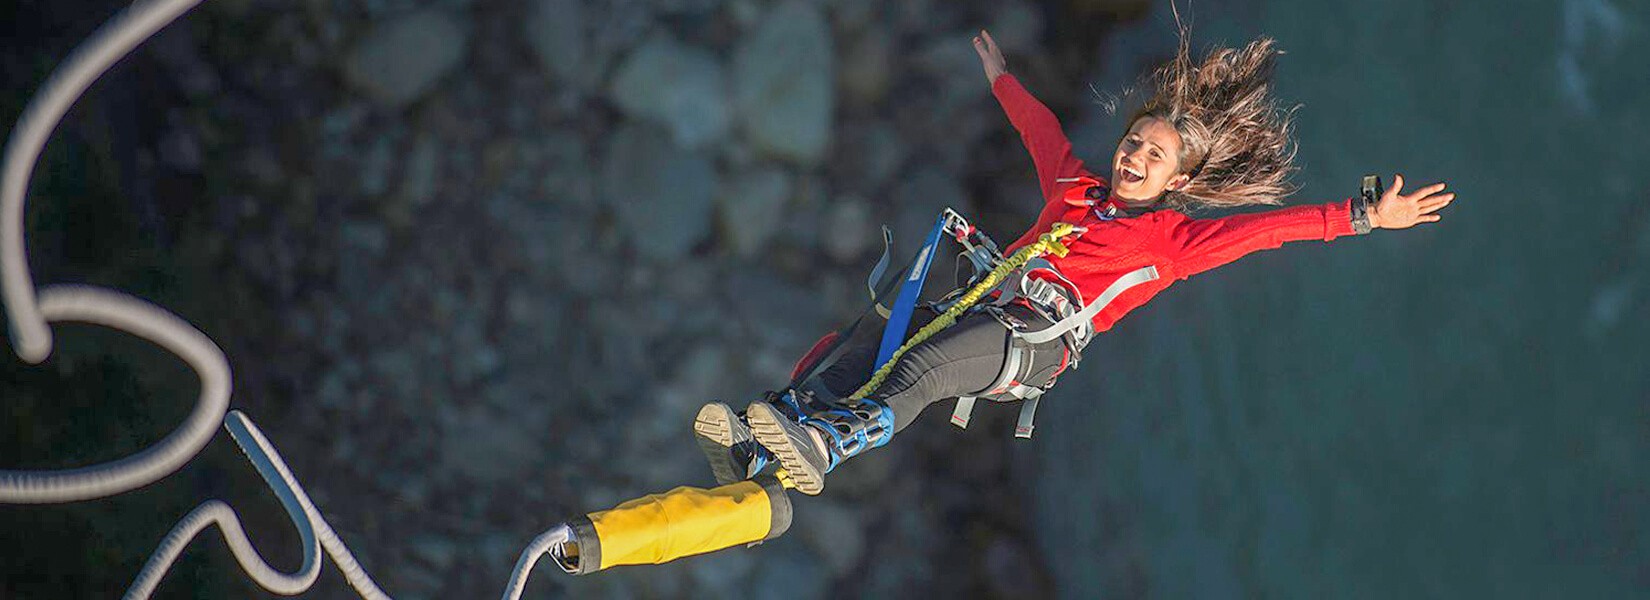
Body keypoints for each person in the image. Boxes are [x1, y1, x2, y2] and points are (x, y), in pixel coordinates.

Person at [695, 25, 1455, 496]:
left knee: (919, 371)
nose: (1134, 158)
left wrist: (1361, 216)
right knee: (869, 337)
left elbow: (1268, 232)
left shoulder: (1171, 243)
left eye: (1153, 157)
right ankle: (772, 430)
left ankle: (826, 446)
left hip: (1035, 346)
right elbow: (1041, 132)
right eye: (1133, 143)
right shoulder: (1076, 184)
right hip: (991, 305)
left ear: (1176, 183)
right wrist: (1001, 79)